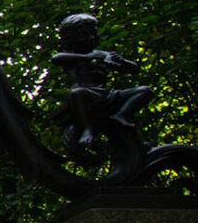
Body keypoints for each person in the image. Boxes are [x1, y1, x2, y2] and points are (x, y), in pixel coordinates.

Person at [52, 12, 151, 154]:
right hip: (87, 95)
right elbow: (57, 58)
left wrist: (121, 61)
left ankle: (121, 116)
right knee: (77, 93)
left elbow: (133, 69)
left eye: (93, 33)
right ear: (70, 38)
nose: (91, 38)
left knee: (145, 91)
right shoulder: (73, 57)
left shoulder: (102, 54)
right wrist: (87, 57)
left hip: (106, 94)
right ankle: (88, 129)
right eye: (84, 34)